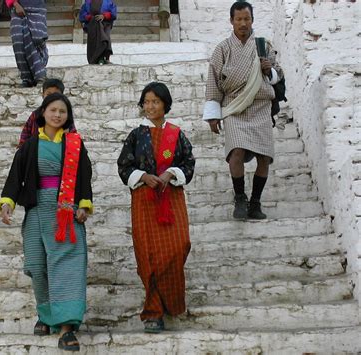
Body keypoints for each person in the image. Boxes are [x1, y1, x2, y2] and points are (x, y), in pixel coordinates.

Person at [0, 93, 92, 352]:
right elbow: (15, 177)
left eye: (62, 111)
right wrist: (8, 203)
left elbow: (85, 176)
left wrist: (83, 205)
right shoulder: (30, 145)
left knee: (67, 269)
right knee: (38, 267)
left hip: (66, 212)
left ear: (67, 116)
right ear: (43, 113)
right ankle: (46, 314)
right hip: (37, 210)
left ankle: (66, 328)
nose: (57, 115)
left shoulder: (74, 144)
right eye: (53, 110)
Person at [117, 82, 195, 333]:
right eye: (146, 102)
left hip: (171, 198)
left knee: (179, 246)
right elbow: (124, 167)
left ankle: (170, 302)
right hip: (145, 201)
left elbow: (188, 163)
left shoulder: (177, 134)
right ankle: (153, 311)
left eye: (155, 102)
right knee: (148, 256)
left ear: (165, 105)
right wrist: (143, 176)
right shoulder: (135, 135)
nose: (150, 106)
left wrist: (171, 173)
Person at [202, 1, 283, 220]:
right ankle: (240, 198)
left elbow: (279, 74)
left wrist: (269, 71)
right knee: (236, 151)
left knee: (264, 157)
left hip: (260, 106)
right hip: (235, 108)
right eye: (238, 19)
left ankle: (255, 202)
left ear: (252, 20)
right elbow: (213, 82)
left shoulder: (263, 45)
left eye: (246, 19)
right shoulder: (222, 49)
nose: (243, 23)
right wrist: (213, 114)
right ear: (231, 21)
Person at [18, 78, 72, 147]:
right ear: (43, 95)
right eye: (48, 94)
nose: (52, 98)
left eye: (56, 94)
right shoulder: (35, 115)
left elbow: (74, 140)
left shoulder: (65, 116)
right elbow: (25, 136)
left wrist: (67, 135)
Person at [5, 0, 48, 87]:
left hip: (37, 8)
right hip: (18, 7)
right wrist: (16, 4)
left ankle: (40, 76)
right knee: (18, 41)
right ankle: (26, 78)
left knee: (36, 39)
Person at [79, 0, 117, 65]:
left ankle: (106, 58)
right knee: (94, 42)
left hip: (106, 24)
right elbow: (82, 16)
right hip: (93, 26)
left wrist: (104, 16)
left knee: (105, 39)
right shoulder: (87, 3)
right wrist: (90, 17)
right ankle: (95, 59)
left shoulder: (108, 2)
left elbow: (113, 14)